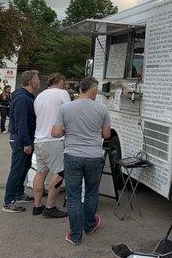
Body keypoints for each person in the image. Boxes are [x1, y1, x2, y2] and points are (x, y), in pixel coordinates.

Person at [51, 76, 111, 245]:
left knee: (74, 195)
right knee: (92, 192)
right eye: (96, 90)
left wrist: (67, 131)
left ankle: (75, 235)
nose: (97, 92)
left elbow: (55, 132)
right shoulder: (102, 109)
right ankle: (90, 225)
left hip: (73, 156)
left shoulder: (65, 107)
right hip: (94, 157)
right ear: (92, 90)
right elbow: (106, 135)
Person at [32, 73, 70, 218]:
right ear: (60, 81)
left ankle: (37, 206)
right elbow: (68, 113)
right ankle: (50, 207)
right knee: (61, 172)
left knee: (41, 172)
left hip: (39, 139)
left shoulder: (39, 96)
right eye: (64, 82)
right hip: (53, 140)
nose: (65, 85)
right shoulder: (62, 93)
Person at [2, 70, 40, 213]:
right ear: (30, 81)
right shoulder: (22, 99)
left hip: (25, 138)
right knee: (17, 169)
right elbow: (21, 123)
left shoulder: (26, 97)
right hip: (20, 139)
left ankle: (18, 193)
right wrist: (26, 142)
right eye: (37, 79)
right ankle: (8, 201)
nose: (38, 81)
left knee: (24, 166)